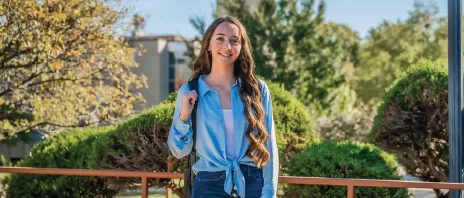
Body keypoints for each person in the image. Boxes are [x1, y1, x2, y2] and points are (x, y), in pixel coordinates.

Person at [167, 16, 278, 198]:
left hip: (251, 185)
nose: (227, 46)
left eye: (234, 41)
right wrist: (184, 117)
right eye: (220, 38)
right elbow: (179, 151)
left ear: (241, 48)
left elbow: (269, 146)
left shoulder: (257, 90)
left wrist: (269, 192)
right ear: (208, 45)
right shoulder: (190, 91)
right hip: (208, 186)